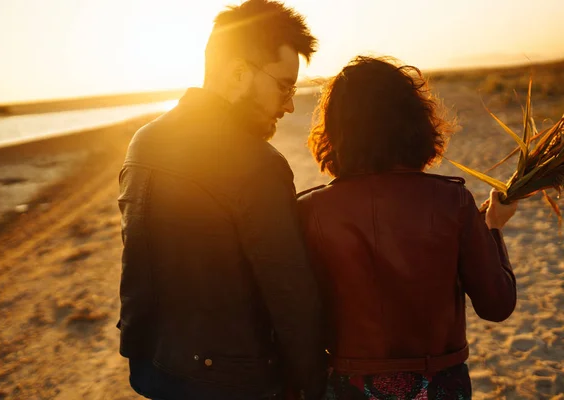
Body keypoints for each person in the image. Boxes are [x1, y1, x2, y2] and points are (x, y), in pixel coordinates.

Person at [117, 0, 327, 399]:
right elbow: (290, 293)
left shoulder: (143, 141)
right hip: (234, 380)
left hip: (155, 368)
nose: (289, 104)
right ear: (237, 73)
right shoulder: (255, 162)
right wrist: (312, 384)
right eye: (284, 85)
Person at [297, 56, 518, 399]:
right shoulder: (452, 201)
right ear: (413, 121)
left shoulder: (309, 210)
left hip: (352, 388)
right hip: (440, 387)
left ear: (336, 130)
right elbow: (497, 305)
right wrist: (492, 227)